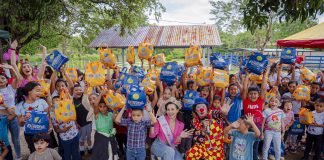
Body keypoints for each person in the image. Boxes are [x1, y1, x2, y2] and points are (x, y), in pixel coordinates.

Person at [15, 82, 52, 153]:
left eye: (41, 91)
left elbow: (47, 115)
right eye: (37, 90)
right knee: (35, 152)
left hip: (43, 132)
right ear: (29, 91)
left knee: (47, 152)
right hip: (30, 135)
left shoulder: (42, 102)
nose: (40, 93)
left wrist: (50, 126)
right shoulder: (19, 106)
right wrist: (23, 119)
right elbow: (20, 124)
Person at [0, 64, 21, 160]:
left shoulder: (11, 88)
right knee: (3, 140)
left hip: (13, 117)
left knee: (16, 139)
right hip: (1, 118)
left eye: (3, 78)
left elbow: (17, 78)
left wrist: (12, 68)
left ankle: (19, 156)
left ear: (6, 79)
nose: (1, 80)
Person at [91, 90, 118, 160]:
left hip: (110, 138)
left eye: (104, 106)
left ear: (108, 107)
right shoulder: (97, 115)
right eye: (100, 106)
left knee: (110, 155)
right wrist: (100, 95)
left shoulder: (111, 114)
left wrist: (114, 109)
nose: (102, 108)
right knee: (101, 155)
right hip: (100, 139)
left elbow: (116, 119)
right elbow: (95, 105)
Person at [72, 84, 93, 155]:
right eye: (76, 90)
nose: (78, 91)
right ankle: (81, 149)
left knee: (89, 137)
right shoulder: (72, 101)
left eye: (80, 90)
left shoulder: (85, 98)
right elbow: (72, 114)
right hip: (81, 124)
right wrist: (76, 123)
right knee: (81, 138)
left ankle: (90, 148)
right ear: (73, 91)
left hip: (89, 122)